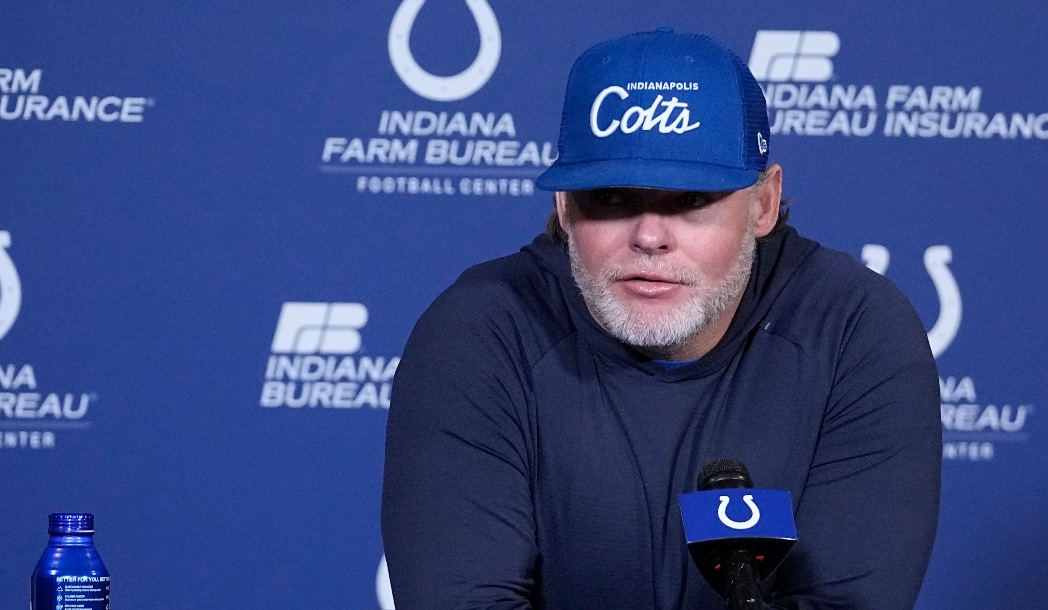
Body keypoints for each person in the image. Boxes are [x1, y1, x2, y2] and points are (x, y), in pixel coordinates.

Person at [382, 29, 941, 610]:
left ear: (763, 203)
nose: (650, 236)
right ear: (564, 208)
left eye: (691, 199)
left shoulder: (854, 331)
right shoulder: (480, 333)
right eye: (613, 198)